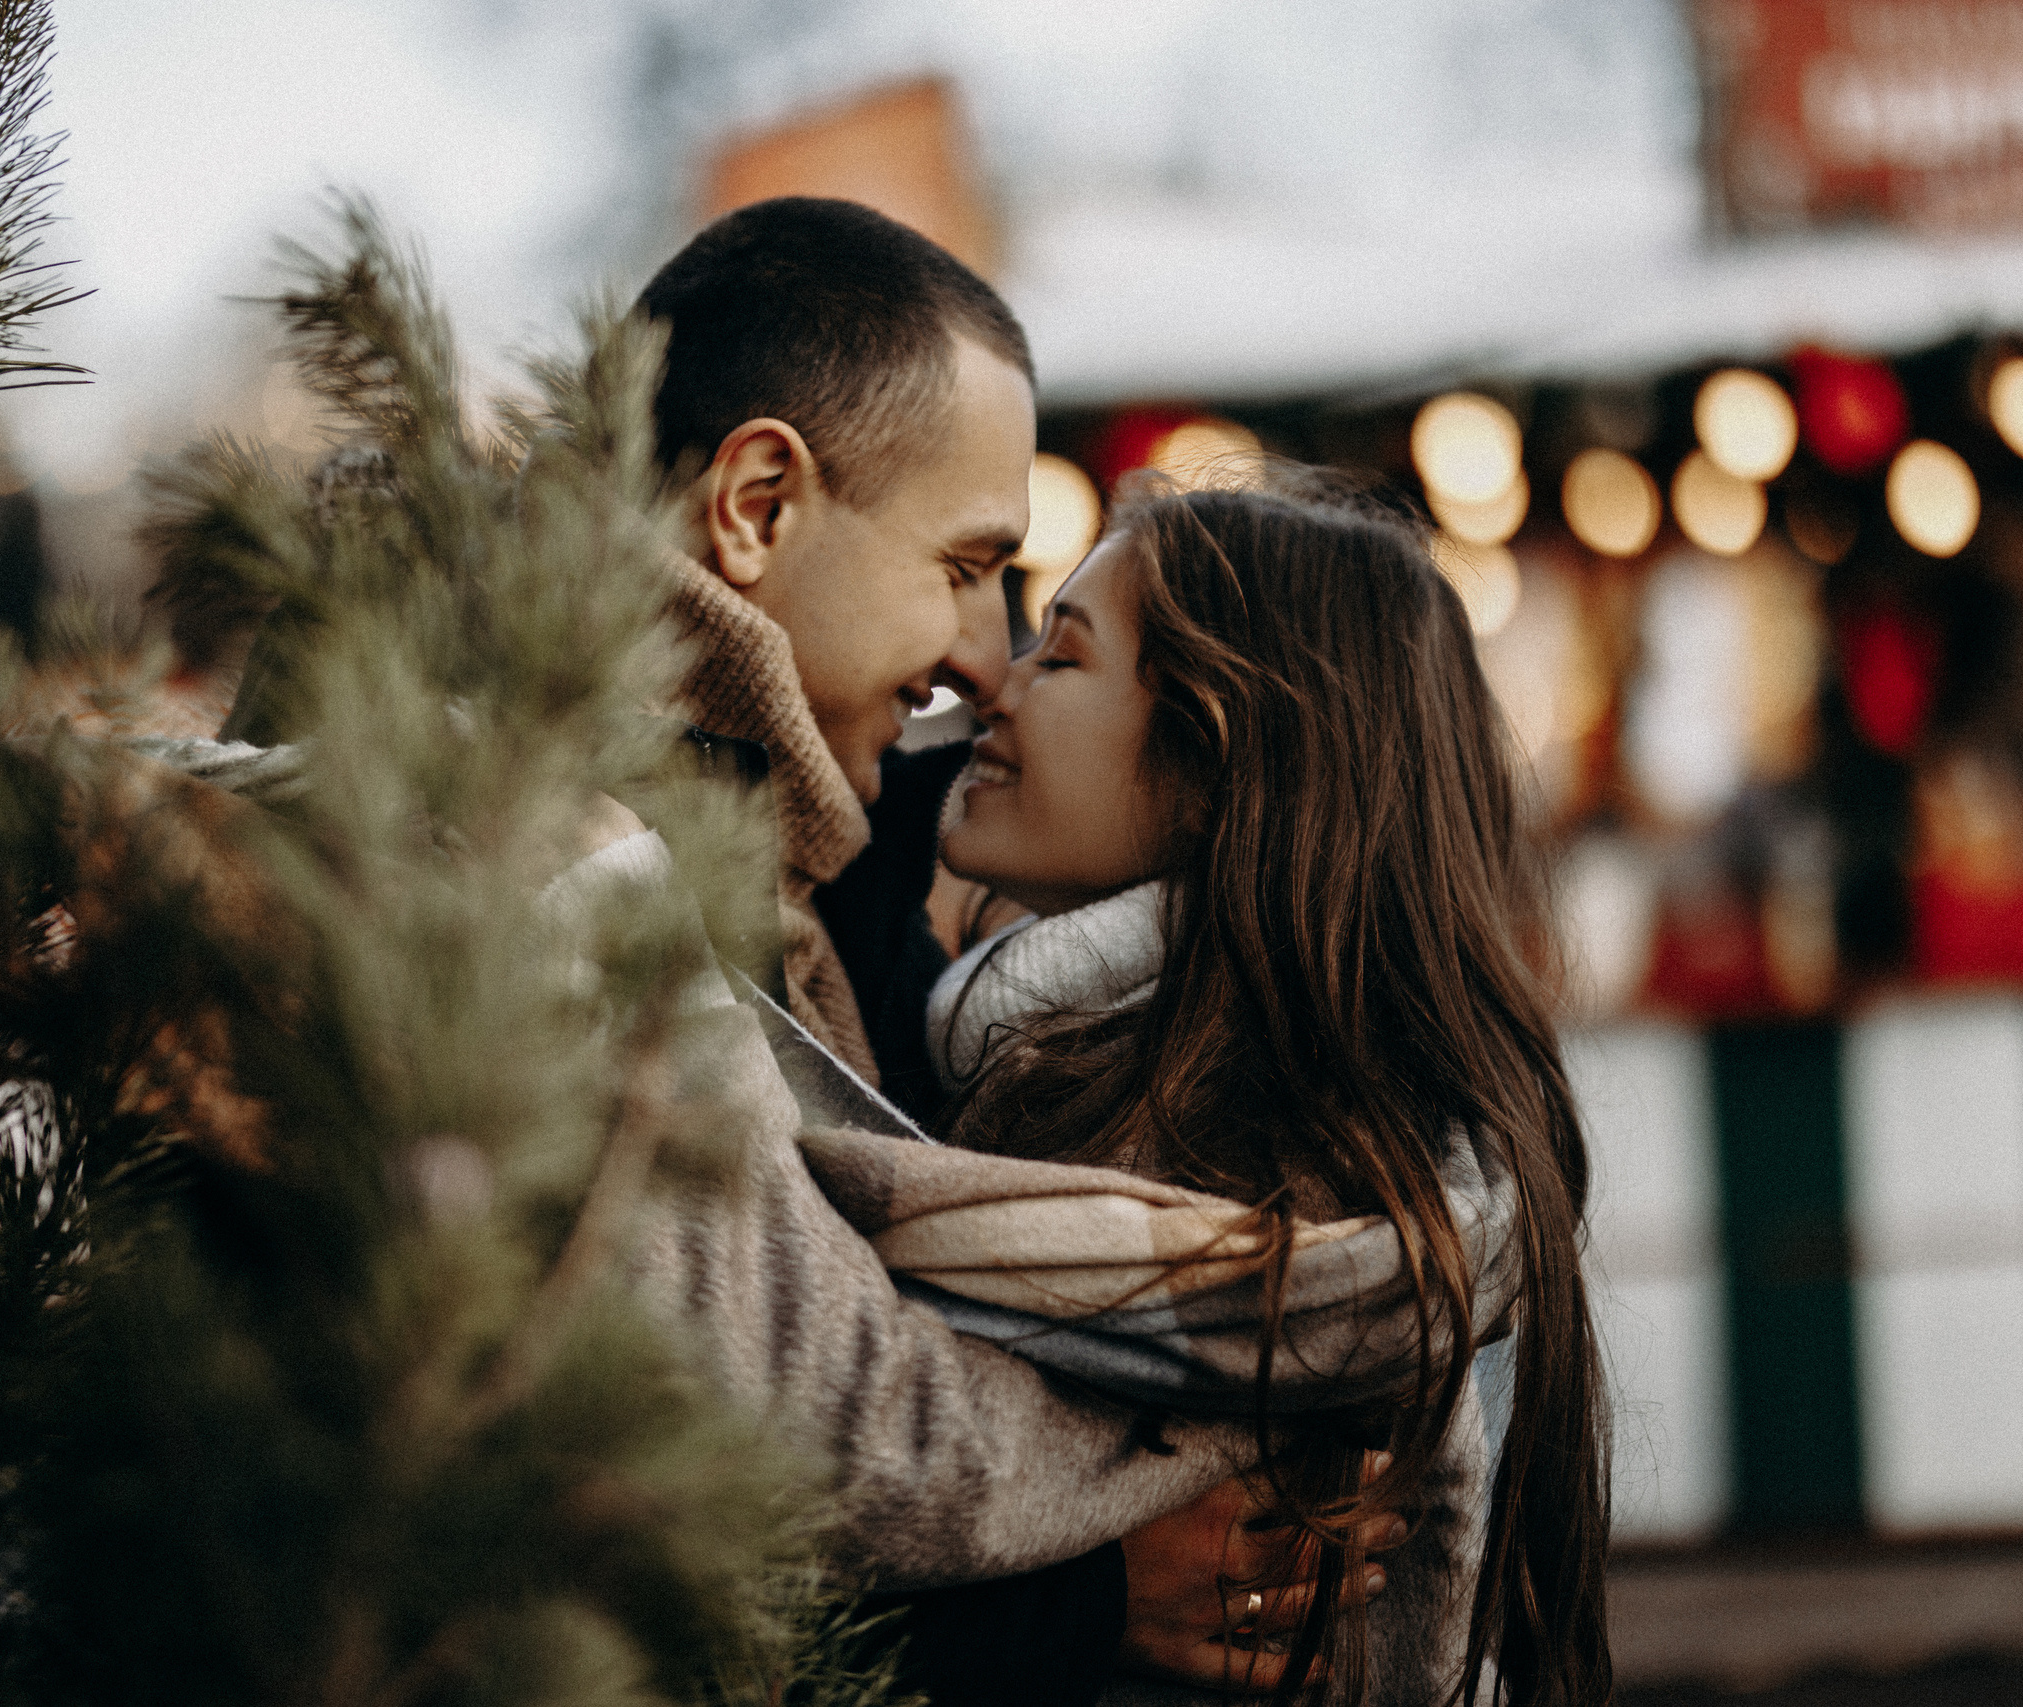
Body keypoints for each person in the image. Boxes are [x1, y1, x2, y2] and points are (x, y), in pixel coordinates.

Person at [620, 199, 1458, 1701]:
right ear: (755, 505)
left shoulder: (803, 863)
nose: (983, 659)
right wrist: (1073, 1595)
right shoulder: (548, 861)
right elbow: (652, 1459)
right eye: (964, 563)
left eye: (1046, 629)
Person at [894, 479, 1612, 1705]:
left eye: (1060, 658)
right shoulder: (1381, 1153)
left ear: (1213, 755)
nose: (994, 684)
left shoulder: (1204, 1157)